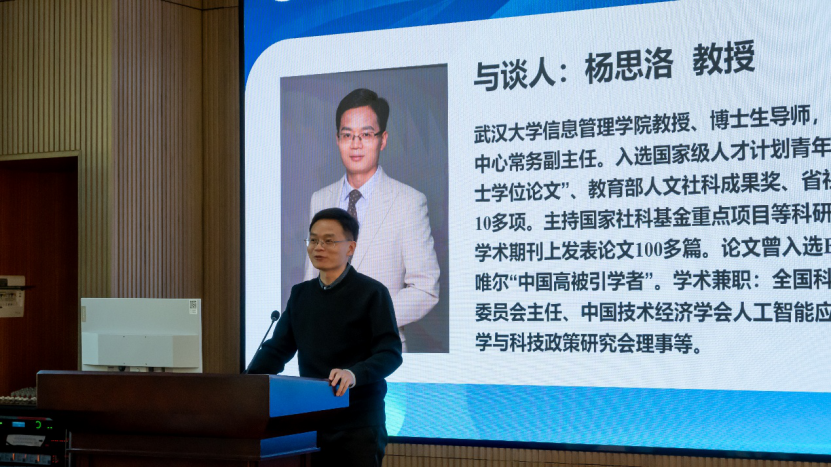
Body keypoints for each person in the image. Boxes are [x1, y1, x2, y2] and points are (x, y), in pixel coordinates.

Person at [248, 207, 403, 466]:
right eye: (313, 240)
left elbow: (390, 353)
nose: (318, 247)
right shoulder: (301, 294)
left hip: (358, 422)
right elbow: (278, 350)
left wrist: (353, 373)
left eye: (329, 241)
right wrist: (246, 382)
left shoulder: (372, 293)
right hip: (310, 419)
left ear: (350, 248)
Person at [305, 88, 440, 351]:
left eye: (366, 134)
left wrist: (366, 318)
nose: (356, 144)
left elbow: (426, 288)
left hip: (378, 351)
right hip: (323, 352)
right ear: (337, 139)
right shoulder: (320, 199)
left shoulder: (408, 202)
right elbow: (311, 281)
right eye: (347, 135)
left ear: (383, 139)